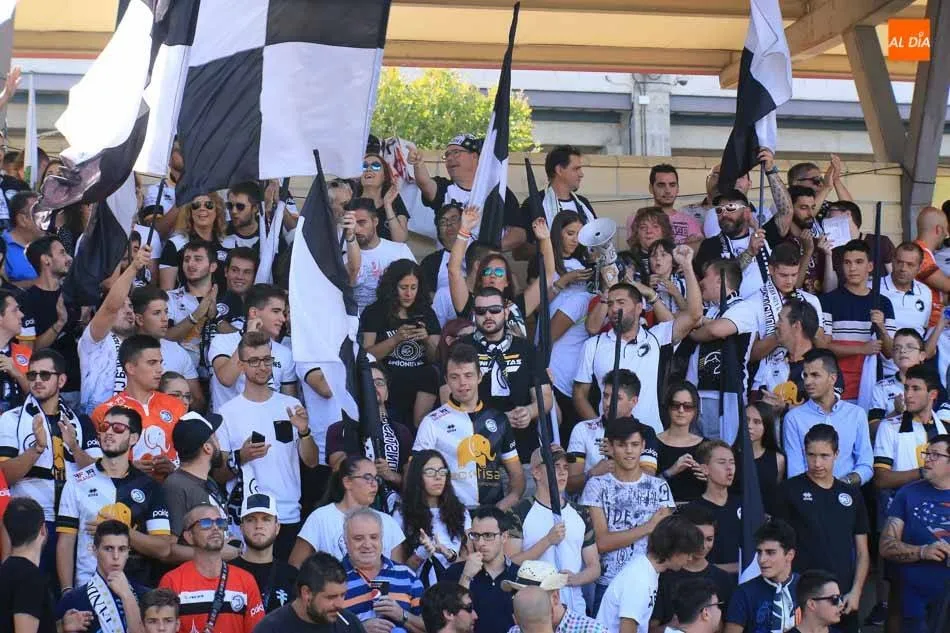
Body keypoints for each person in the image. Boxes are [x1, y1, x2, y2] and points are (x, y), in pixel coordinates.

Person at [573, 249, 702, 428]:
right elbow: (580, 395)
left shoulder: (657, 338)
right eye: (610, 304)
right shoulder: (592, 345)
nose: (613, 309)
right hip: (609, 440)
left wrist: (687, 265)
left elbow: (694, 315)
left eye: (621, 303)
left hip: (650, 438)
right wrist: (599, 428)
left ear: (639, 307)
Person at [216, 330, 317, 559]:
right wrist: (241, 456)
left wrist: (304, 431)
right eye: (254, 361)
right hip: (249, 516)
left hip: (288, 513)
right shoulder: (227, 413)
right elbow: (218, 473)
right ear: (241, 365)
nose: (262, 367)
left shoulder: (290, 405)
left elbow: (310, 462)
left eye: (267, 360)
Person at [0, 349, 100, 578]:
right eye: (32, 375)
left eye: (45, 375)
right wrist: (36, 450)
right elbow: (4, 476)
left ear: (62, 380)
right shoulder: (11, 419)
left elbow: (100, 474)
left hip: (73, 523)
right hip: (29, 522)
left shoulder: (81, 422)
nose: (37, 381)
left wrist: (74, 448)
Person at [56, 406, 173, 590]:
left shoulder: (150, 487)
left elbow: (163, 548)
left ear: (133, 438)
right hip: (89, 587)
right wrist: (67, 590)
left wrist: (121, 530)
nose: (109, 432)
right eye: (104, 427)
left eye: (118, 428)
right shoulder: (77, 481)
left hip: (136, 588)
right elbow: (66, 541)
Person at [773, 424, 870, 633]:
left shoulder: (851, 495)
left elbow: (862, 551)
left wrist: (856, 592)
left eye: (824, 456)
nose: (817, 463)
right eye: (811, 455)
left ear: (836, 454)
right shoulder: (788, 491)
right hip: (803, 597)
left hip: (843, 598)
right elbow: (778, 548)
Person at [580, 416, 675, 612]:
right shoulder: (596, 486)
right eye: (622, 445)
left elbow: (666, 542)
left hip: (649, 582)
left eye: (635, 444)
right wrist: (648, 527)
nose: (630, 451)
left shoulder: (659, 487)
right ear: (611, 447)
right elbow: (602, 542)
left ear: (643, 446)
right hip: (608, 583)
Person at [413, 343, 524, 509]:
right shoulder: (432, 422)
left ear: (480, 376)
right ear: (446, 380)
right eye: (455, 377)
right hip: (451, 514)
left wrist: (504, 505)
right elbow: (415, 473)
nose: (462, 383)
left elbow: (517, 475)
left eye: (468, 375)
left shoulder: (499, 419)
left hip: (493, 514)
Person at [458, 286, 553, 474]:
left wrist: (530, 411)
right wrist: (497, 420)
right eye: (481, 311)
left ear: (506, 312)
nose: (488, 315)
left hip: (523, 449)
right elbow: (448, 400)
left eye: (494, 310)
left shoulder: (527, 349)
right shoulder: (461, 348)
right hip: (476, 451)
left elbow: (545, 397)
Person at [507, 446, 600, 614]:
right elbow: (511, 563)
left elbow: (594, 566)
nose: (563, 472)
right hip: (535, 608)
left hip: (574, 609)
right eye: (555, 467)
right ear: (536, 472)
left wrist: (576, 578)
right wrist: (547, 541)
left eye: (565, 467)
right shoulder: (518, 512)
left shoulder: (581, 512)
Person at [879, 433, 950, 633]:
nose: (927, 459)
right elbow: (885, 546)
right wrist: (922, 551)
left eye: (935, 455)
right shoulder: (908, 493)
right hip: (915, 600)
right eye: (926, 453)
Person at [683, 259, 760, 441]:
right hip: (695, 394)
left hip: (724, 396)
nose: (701, 282)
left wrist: (697, 328)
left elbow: (715, 330)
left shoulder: (743, 308)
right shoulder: (710, 311)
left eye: (706, 277)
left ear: (720, 280)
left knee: (719, 454)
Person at [409, 134, 526, 250]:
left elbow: (519, 234)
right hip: (449, 263)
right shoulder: (444, 188)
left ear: (474, 156)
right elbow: (424, 183)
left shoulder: (498, 192)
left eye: (456, 152)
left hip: (485, 264)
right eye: (447, 155)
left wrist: (489, 250)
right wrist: (418, 163)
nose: (449, 158)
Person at [91, 335, 188, 476]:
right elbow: (98, 464)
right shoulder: (105, 412)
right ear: (130, 368)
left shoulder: (176, 406)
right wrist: (128, 469)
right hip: (126, 494)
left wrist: (174, 468)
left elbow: (191, 457)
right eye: (152, 363)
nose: (160, 369)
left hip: (172, 491)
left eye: (160, 362)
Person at [159, 504, 264, 633]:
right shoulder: (172, 581)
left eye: (220, 522)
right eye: (206, 523)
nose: (215, 528)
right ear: (189, 536)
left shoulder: (246, 580)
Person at [448, 210, 554, 338]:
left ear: (507, 281)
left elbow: (547, 275)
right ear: (480, 278)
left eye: (499, 272)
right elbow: (454, 271)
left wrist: (545, 239)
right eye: (487, 271)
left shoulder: (517, 306)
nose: (493, 275)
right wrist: (464, 230)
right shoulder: (469, 304)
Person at [693, 165, 793, 299]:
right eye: (719, 210)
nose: (723, 214)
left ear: (746, 212)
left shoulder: (763, 235)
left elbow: (786, 211)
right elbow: (721, 279)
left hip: (770, 311)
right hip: (732, 314)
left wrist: (770, 170)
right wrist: (749, 252)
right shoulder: (710, 245)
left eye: (730, 207)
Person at [361, 259, 440, 426]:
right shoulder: (375, 312)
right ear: (392, 286)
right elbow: (366, 356)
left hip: (421, 390)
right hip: (389, 387)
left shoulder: (426, 312)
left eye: (413, 288)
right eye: (403, 288)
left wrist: (425, 339)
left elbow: (437, 358)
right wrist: (395, 339)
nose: (409, 294)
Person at [290, 456, 406, 567]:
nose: (374, 484)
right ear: (347, 482)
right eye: (367, 477)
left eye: (376, 478)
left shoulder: (388, 522)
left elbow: (398, 570)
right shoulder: (320, 518)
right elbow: (296, 565)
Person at [595, 515, 704, 633]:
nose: (690, 558)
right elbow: (627, 629)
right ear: (674, 549)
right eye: (688, 553)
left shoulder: (648, 571)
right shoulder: (639, 579)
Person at [820, 239, 896, 401]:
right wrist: (862, 349)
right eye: (847, 262)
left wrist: (881, 327)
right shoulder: (828, 301)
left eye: (859, 262)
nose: (852, 268)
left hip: (872, 389)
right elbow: (823, 348)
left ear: (870, 266)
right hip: (837, 389)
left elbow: (890, 353)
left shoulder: (883, 303)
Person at [782, 349, 873, 485]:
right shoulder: (793, 418)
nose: (807, 382)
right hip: (808, 498)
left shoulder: (856, 414)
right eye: (805, 375)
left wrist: (842, 485)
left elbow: (866, 465)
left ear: (832, 378)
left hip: (848, 494)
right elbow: (795, 471)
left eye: (815, 375)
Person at [78, 245, 150, 415]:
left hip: (131, 427)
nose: (128, 311)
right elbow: (111, 307)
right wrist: (133, 267)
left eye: (131, 306)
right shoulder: (94, 340)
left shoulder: (138, 347)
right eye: (122, 306)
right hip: (96, 426)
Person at [325, 362, 413, 502]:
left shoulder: (402, 431)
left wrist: (390, 474)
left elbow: (412, 483)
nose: (373, 387)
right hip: (353, 509)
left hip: (394, 510)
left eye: (379, 383)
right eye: (366, 383)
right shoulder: (339, 429)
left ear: (387, 393)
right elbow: (337, 470)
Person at [566, 369, 660, 494]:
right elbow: (570, 485)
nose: (608, 403)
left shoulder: (645, 432)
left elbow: (649, 479)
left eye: (617, 398)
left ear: (634, 401)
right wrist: (592, 473)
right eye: (605, 396)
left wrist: (618, 463)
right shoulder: (583, 429)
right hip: (587, 508)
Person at [208, 284, 297, 412]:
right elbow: (226, 379)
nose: (283, 319)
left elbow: (289, 406)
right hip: (229, 427)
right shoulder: (222, 341)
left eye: (283, 313)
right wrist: (248, 337)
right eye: (276, 311)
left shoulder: (285, 354)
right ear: (254, 313)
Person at [650, 505, 735, 633]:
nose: (703, 545)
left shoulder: (722, 578)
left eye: (709, 539)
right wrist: (674, 627)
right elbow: (650, 629)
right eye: (698, 537)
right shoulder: (664, 575)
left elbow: (728, 627)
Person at [392, 450, 470, 587]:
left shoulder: (461, 512)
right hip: (419, 591)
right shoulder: (402, 514)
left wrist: (448, 554)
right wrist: (422, 553)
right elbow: (398, 571)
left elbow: (468, 564)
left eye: (442, 471)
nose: (438, 477)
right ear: (417, 476)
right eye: (430, 472)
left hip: (455, 589)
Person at [340, 508, 425, 633]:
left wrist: (402, 615)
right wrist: (359, 629)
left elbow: (430, 627)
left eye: (374, 537)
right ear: (345, 542)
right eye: (358, 538)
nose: (367, 544)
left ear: (381, 539)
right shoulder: (333, 579)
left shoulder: (406, 575)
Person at [20, 236, 82, 407]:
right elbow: (31, 350)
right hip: (49, 391)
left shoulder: (71, 295)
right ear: (46, 259)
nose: (68, 258)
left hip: (77, 384)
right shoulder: (28, 300)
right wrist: (60, 322)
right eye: (61, 253)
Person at [56, 521, 146, 633]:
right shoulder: (72, 600)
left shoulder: (145, 596)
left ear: (128, 552)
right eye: (108, 548)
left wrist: (127, 597)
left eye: (122, 549)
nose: (116, 556)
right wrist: (60, 628)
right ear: (94, 550)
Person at [442, 505, 520, 633]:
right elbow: (445, 620)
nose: (480, 543)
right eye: (475, 535)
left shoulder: (520, 576)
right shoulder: (454, 573)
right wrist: (466, 577)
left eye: (488, 535)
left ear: (504, 537)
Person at [130, 286, 203, 411]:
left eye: (166, 312)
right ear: (140, 319)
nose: (165, 319)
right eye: (157, 313)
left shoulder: (177, 352)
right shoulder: (123, 351)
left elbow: (197, 400)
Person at [254, 552, 364, 633]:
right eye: (331, 597)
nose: (339, 604)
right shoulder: (271, 628)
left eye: (343, 595)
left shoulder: (349, 625)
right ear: (306, 593)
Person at [751, 297, 829, 411]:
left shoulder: (825, 366)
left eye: (780, 320)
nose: (776, 325)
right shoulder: (773, 364)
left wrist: (785, 407)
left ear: (796, 325)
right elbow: (758, 408)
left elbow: (827, 409)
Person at [723, 519, 799, 633]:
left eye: (770, 552)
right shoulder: (744, 593)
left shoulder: (807, 587)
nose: (762, 560)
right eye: (759, 552)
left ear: (790, 555)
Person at [163, 411, 227, 537]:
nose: (219, 442)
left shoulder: (209, 480)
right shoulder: (175, 486)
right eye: (215, 438)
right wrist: (220, 552)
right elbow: (170, 548)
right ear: (207, 448)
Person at [232, 493, 299, 614]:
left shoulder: (292, 576)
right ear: (241, 528)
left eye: (266, 519)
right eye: (251, 520)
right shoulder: (226, 572)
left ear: (277, 527)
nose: (258, 526)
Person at [349, 198, 416, 314]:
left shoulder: (399, 250)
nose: (356, 229)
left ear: (375, 221)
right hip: (354, 325)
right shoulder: (343, 254)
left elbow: (418, 289)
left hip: (392, 323)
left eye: (361, 222)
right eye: (352, 224)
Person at [163, 240, 221, 371]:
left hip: (218, 379)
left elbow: (239, 337)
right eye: (187, 259)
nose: (190, 264)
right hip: (181, 377)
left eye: (198, 259)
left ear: (212, 266)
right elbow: (165, 339)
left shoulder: (225, 299)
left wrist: (215, 317)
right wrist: (195, 316)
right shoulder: (170, 298)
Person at [502, 560, 607, 633]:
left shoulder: (592, 630)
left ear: (555, 597)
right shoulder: (515, 630)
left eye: (534, 596)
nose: (524, 602)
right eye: (517, 594)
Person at [685, 441, 740, 574]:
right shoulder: (692, 510)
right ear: (705, 469)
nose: (729, 468)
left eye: (732, 462)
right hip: (706, 583)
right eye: (722, 462)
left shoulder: (744, 504)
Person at [159, 193, 228, 290]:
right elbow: (166, 291)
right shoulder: (175, 243)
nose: (202, 209)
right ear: (190, 212)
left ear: (217, 211)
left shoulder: (229, 243)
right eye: (196, 205)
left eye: (209, 205)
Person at [731, 403, 785, 517]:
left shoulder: (778, 459)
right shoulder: (729, 455)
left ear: (767, 426)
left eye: (757, 422)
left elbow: (776, 495)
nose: (749, 426)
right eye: (746, 419)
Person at [654, 383, 705, 501]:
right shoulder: (653, 443)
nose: (681, 410)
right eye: (675, 405)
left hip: (698, 514)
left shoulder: (706, 446)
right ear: (668, 407)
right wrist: (671, 471)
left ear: (695, 410)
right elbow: (643, 487)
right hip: (663, 513)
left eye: (687, 406)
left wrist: (710, 477)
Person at [870, 328, 929, 425]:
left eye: (910, 347)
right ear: (893, 356)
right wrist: (896, 412)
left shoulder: (933, 384)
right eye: (897, 348)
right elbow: (872, 430)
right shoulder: (881, 387)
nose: (902, 351)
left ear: (922, 355)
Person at [825, 201, 894, 281]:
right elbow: (829, 290)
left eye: (830, 213)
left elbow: (894, 278)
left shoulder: (881, 242)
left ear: (847, 214)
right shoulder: (832, 248)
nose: (826, 218)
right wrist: (828, 255)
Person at [528, 144, 596, 227]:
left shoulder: (583, 203)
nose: (581, 174)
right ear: (559, 170)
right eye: (576, 169)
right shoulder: (534, 203)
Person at [880, 242, 931, 344]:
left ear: (919, 268)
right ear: (893, 261)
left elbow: (924, 327)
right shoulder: (874, 288)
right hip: (882, 357)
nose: (903, 268)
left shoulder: (925, 292)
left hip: (915, 357)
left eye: (910, 265)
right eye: (899, 262)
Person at [355, 151, 410, 242]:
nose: (368, 169)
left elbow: (400, 240)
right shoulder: (351, 202)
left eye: (375, 166)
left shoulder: (394, 199)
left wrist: (387, 205)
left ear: (384, 176)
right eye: (364, 166)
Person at [648, 164, 703, 246]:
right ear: (651, 188)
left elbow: (693, 254)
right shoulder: (637, 219)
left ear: (678, 188)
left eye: (672, 185)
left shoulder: (691, 222)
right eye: (661, 185)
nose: (667, 190)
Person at [420, 203, 463, 294]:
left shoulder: (476, 253)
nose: (449, 224)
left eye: (454, 219)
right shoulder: (430, 262)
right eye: (443, 222)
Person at [214, 246, 258, 334]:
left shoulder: (260, 306)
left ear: (254, 276)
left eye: (247, 272)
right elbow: (219, 326)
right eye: (235, 270)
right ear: (226, 271)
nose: (240, 276)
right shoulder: (213, 304)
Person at [0, 288, 30, 413]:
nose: (21, 314)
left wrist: (17, 373)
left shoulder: (22, 353)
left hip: (17, 427)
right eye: (15, 310)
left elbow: (39, 396)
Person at [3, 191, 42, 284]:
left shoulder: (51, 243)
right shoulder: (3, 246)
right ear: (22, 219)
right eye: (40, 214)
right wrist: (40, 283)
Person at [221, 181, 264, 251]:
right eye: (230, 206)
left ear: (255, 208)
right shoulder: (221, 232)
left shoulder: (268, 236)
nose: (233, 211)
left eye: (240, 206)